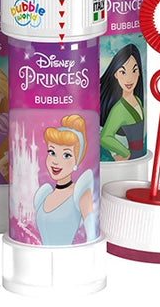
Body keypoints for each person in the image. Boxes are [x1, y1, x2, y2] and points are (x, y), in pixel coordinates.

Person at [34, 115, 96, 245]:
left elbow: (92, 236)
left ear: (76, 161)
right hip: (38, 255)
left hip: (70, 256)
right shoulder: (43, 195)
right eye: (52, 152)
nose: (56, 161)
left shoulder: (80, 193)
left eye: (66, 155)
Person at [100, 44, 144, 161]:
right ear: (116, 74)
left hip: (139, 158)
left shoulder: (138, 100)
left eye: (134, 70)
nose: (129, 78)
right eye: (123, 72)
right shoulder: (119, 108)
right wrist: (125, 152)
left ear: (139, 72)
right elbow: (104, 137)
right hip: (130, 159)